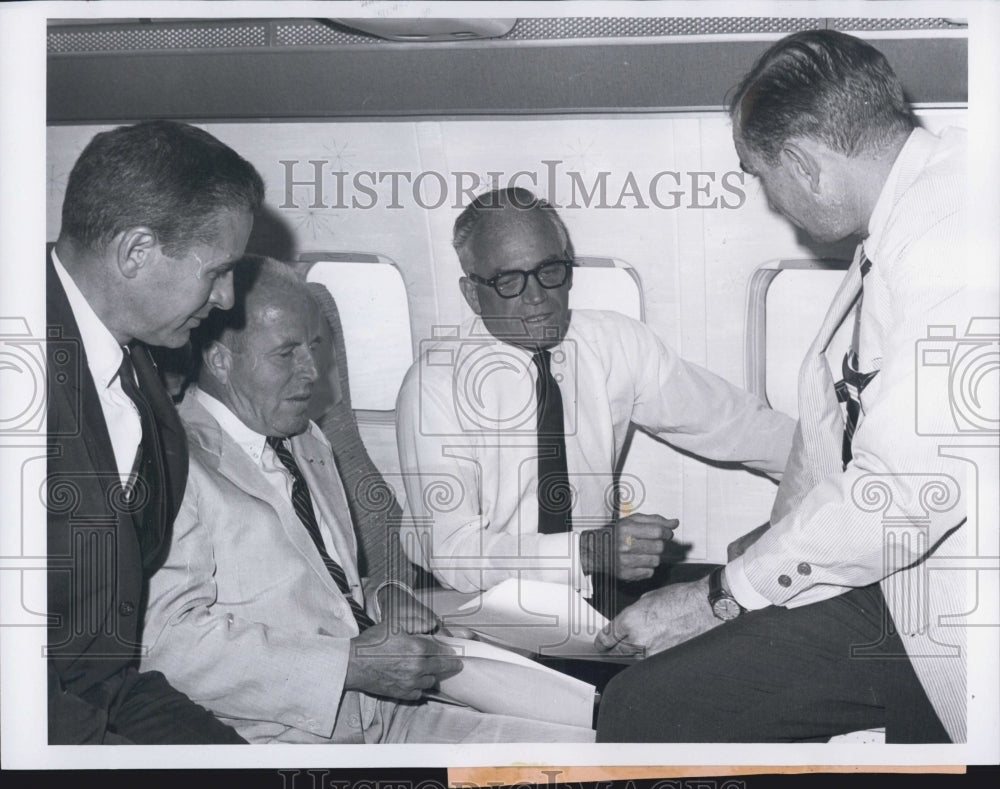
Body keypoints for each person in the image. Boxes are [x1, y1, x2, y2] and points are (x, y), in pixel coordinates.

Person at [595, 30, 986, 744]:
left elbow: (899, 490)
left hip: (948, 608)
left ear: (804, 163)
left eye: (758, 174)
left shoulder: (953, 241)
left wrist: (717, 595)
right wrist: (768, 544)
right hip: (898, 571)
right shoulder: (923, 211)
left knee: (640, 709)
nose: (772, 204)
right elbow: (845, 430)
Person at [140, 257, 595, 744]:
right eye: (287, 352)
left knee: (598, 746)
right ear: (220, 359)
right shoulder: (171, 466)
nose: (313, 372)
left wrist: (379, 596)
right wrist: (350, 665)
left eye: (315, 346)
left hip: (383, 713)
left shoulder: (304, 439)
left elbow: (310, 581)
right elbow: (169, 646)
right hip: (285, 739)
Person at [395, 186, 795, 602]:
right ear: (473, 294)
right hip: (472, 599)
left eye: (550, 271)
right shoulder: (433, 386)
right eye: (509, 281)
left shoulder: (614, 342)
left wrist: (832, 467)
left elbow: (736, 424)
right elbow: (452, 551)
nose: (537, 297)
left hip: (589, 582)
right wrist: (586, 552)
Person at [46, 120, 264, 743]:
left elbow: (104, 665)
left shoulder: (144, 381)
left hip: (104, 696)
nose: (226, 299)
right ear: (135, 252)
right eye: (218, 270)